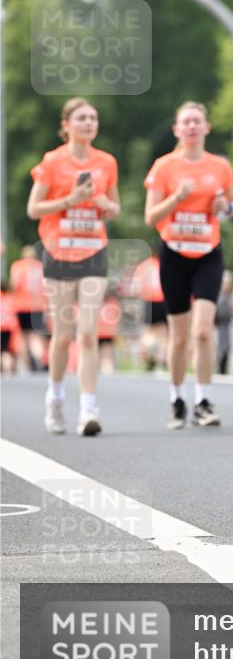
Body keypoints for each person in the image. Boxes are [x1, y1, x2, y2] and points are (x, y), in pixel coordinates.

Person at [27, 98, 120, 435]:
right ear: (66, 125)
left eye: (93, 118)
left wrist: (102, 203)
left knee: (87, 332)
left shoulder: (106, 162)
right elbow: (33, 208)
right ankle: (54, 397)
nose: (88, 123)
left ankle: (88, 409)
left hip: (93, 250)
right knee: (63, 334)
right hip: (59, 251)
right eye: (81, 118)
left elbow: (115, 209)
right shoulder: (53, 162)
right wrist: (69, 201)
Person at [144, 101, 233, 429]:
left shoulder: (220, 167)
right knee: (179, 335)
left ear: (206, 127)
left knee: (202, 331)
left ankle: (203, 399)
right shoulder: (164, 166)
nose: (191, 127)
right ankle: (176, 398)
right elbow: (151, 217)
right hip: (174, 254)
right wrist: (177, 199)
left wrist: (222, 206)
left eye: (197, 121)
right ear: (177, 129)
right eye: (185, 122)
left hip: (208, 254)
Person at [9, 245, 46, 371]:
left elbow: (14, 284)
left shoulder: (18, 266)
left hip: (21, 305)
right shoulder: (40, 267)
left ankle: (24, 364)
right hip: (38, 305)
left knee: (24, 335)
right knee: (36, 334)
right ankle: (38, 358)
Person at [133, 252, 168, 370]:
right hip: (163, 300)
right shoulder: (163, 264)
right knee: (164, 333)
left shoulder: (144, 266)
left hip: (149, 300)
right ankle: (161, 357)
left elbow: (136, 288)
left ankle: (145, 352)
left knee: (148, 331)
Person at [215, 270, 233, 374]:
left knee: (226, 348)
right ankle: (219, 369)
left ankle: (224, 370)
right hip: (219, 327)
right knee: (220, 348)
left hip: (227, 327)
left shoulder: (230, 297)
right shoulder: (218, 298)